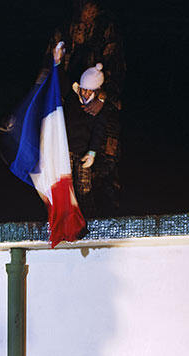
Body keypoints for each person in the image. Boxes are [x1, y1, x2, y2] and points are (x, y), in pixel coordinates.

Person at [48, 1, 124, 212]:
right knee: (66, 183)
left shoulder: (107, 30)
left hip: (97, 125)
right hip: (69, 143)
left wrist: (102, 98)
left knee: (97, 180)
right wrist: (56, 63)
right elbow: (58, 77)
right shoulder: (65, 29)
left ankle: (97, 215)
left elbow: (116, 73)